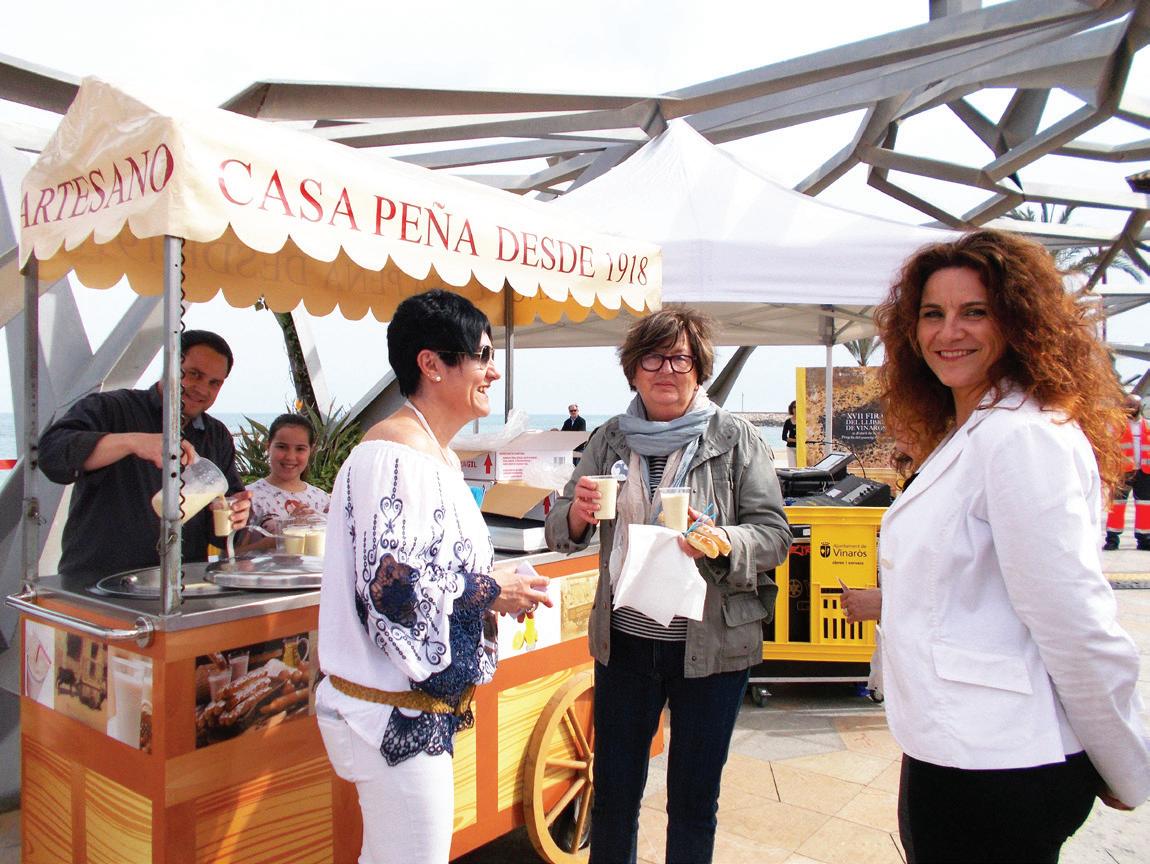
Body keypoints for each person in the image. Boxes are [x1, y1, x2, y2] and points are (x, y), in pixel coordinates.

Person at [874, 228, 1150, 862]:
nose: (949, 333)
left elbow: (1074, 621)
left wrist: (1123, 761)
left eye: (975, 312)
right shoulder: (976, 431)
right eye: (933, 314)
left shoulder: (1022, 439)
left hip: (1001, 765)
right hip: (954, 747)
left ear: (1019, 322)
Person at [544, 307, 792, 864]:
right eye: (652, 358)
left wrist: (723, 540)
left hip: (712, 646)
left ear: (699, 368)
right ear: (633, 369)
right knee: (613, 796)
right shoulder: (610, 438)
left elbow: (774, 534)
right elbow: (560, 527)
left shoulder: (736, 439)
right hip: (625, 644)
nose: (666, 370)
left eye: (680, 358)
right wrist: (578, 514)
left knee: (693, 802)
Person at [314, 289, 552, 864]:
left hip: (410, 706)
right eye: (482, 355)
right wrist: (491, 591)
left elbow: (431, 570)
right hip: (387, 709)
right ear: (432, 364)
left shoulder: (434, 454)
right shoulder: (393, 456)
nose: (494, 371)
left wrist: (489, 587)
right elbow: (391, 590)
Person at [39, 329, 251, 586]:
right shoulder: (111, 408)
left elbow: (224, 524)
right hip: (99, 585)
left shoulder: (216, 435)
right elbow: (52, 454)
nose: (202, 389)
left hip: (181, 586)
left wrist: (236, 515)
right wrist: (132, 442)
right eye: (194, 374)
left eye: (214, 383)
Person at [238, 413, 330, 553]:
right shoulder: (249, 498)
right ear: (268, 446)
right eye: (282, 447)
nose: (290, 457)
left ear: (311, 451)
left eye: (300, 449)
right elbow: (232, 554)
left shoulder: (322, 499)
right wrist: (279, 538)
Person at [1103, 393, 1149, 551]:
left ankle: (1144, 539)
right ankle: (1112, 539)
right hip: (1122, 472)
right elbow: (1107, 448)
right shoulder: (1115, 426)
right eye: (1127, 405)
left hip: (1144, 472)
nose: (1130, 408)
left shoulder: (1148, 426)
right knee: (1117, 506)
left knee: (1145, 506)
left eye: (1133, 405)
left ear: (1140, 407)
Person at [781, 400, 798, 466]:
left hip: (802, 448)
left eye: (798, 407)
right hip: (791, 448)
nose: (796, 409)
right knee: (792, 467)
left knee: (801, 467)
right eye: (794, 407)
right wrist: (795, 440)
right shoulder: (788, 422)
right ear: (791, 409)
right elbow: (784, 437)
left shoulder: (804, 421)